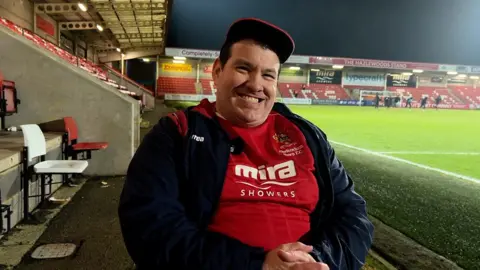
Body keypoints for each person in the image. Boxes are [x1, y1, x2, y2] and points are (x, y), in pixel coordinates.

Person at [118, 17, 374, 270]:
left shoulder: (307, 137)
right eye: (244, 68)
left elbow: (354, 215)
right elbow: (149, 226)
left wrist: (318, 261)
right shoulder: (177, 134)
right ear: (217, 72)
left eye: (268, 75)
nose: (255, 84)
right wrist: (258, 265)